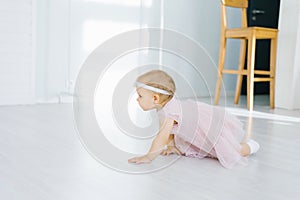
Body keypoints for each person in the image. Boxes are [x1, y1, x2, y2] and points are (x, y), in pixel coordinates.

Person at [128, 70, 260, 168]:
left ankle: (250, 146)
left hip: (208, 129)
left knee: (228, 152)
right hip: (198, 128)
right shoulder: (164, 106)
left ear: (155, 98)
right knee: (212, 150)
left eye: (140, 96)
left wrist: (149, 156)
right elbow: (169, 132)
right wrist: (172, 146)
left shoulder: (170, 112)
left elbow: (161, 136)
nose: (137, 99)